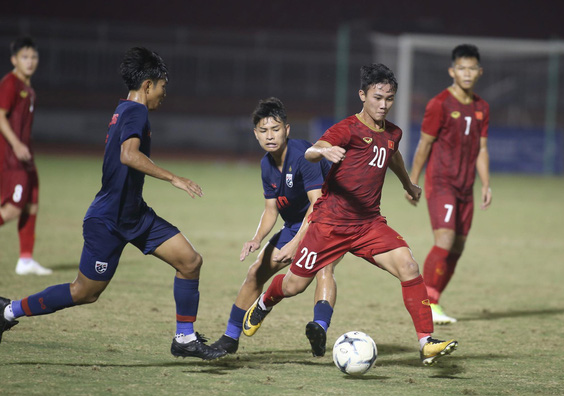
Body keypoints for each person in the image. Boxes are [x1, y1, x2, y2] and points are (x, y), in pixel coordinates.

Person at [0, 47, 226, 360]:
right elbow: (128, 155)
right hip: (109, 220)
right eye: (163, 86)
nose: (164, 93)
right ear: (148, 85)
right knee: (84, 292)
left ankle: (185, 338)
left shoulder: (123, 109)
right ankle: (9, 311)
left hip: (135, 214)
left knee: (190, 262)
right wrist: (175, 178)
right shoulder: (136, 112)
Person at [242, 63, 458, 366]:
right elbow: (311, 151)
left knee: (408, 266)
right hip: (328, 224)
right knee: (294, 286)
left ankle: (426, 342)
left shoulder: (392, 132)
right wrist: (325, 152)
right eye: (377, 97)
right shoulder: (346, 128)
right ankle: (264, 302)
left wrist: (408, 184)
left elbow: (391, 154)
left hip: (368, 224)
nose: (383, 105)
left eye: (389, 99)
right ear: (362, 95)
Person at [212, 97, 337, 357]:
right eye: (264, 130)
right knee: (255, 271)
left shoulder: (303, 155)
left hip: (329, 219)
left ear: (287, 130)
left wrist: (294, 244)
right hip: (295, 224)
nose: (270, 135)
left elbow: (317, 206)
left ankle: (319, 329)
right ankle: (229, 337)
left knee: (323, 269)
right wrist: (256, 238)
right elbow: (271, 209)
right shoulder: (265, 164)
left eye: (275, 129)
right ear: (256, 134)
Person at [407, 44, 491, 325]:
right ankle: (428, 303)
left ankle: (435, 300)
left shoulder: (481, 107)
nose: (466, 73)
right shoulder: (439, 103)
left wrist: (486, 185)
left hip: (466, 187)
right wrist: (412, 181)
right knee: (445, 240)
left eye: (472, 68)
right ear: (452, 71)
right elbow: (424, 144)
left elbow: (481, 149)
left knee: (458, 247)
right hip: (441, 183)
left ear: (479, 72)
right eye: (461, 68)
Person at [0, 36, 51, 275]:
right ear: (14, 60)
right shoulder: (10, 84)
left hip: (24, 157)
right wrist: (17, 145)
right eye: (24, 57)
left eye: (33, 57)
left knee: (32, 203)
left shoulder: (28, 89)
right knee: (12, 209)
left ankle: (26, 260)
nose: (30, 62)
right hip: (11, 159)